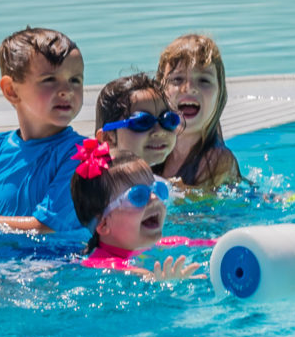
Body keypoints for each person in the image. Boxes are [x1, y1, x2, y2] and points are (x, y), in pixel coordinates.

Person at [0, 27, 86, 233]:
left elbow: (43, 227)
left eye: (75, 80)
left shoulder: (79, 155)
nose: (67, 91)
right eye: (49, 80)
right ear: (11, 91)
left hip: (55, 260)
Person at [70, 140, 214, 280]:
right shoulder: (105, 267)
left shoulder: (153, 245)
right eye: (138, 195)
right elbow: (148, 281)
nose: (153, 198)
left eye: (158, 189)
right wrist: (169, 285)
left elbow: (202, 243)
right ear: (104, 224)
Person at [154, 34, 241, 189]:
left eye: (204, 80)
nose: (189, 88)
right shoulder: (152, 146)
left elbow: (202, 205)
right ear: (160, 90)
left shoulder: (218, 159)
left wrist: (176, 189)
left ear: (219, 94)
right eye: (177, 79)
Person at [95, 73, 179, 168]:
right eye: (142, 122)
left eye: (168, 119)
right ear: (108, 138)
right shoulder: (103, 182)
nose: (159, 131)